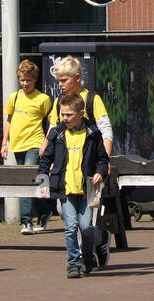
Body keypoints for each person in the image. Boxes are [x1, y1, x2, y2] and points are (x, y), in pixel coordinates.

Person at [47, 56, 114, 269]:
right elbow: (52, 130)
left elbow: (106, 130)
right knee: (65, 213)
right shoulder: (59, 102)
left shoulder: (92, 99)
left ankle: (92, 246)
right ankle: (90, 246)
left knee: (85, 220)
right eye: (58, 81)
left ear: (77, 78)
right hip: (67, 170)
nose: (61, 85)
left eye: (64, 80)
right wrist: (47, 156)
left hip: (90, 168)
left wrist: (105, 163)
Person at [38, 93, 110, 279]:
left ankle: (88, 256)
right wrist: (44, 182)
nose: (65, 119)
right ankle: (73, 263)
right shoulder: (58, 134)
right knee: (71, 227)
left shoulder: (92, 134)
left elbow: (102, 159)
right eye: (63, 114)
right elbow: (45, 160)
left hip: (86, 191)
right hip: (65, 190)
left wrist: (99, 173)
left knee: (86, 227)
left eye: (69, 115)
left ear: (81, 114)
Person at [3, 59, 52, 234]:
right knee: (35, 180)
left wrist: (46, 142)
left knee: (26, 179)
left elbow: (51, 122)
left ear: (35, 80)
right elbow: (9, 120)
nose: (25, 84)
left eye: (28, 80)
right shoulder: (14, 97)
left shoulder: (43, 99)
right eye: (22, 80)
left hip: (34, 143)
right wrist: (4, 143)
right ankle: (46, 209)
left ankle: (26, 221)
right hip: (17, 145)